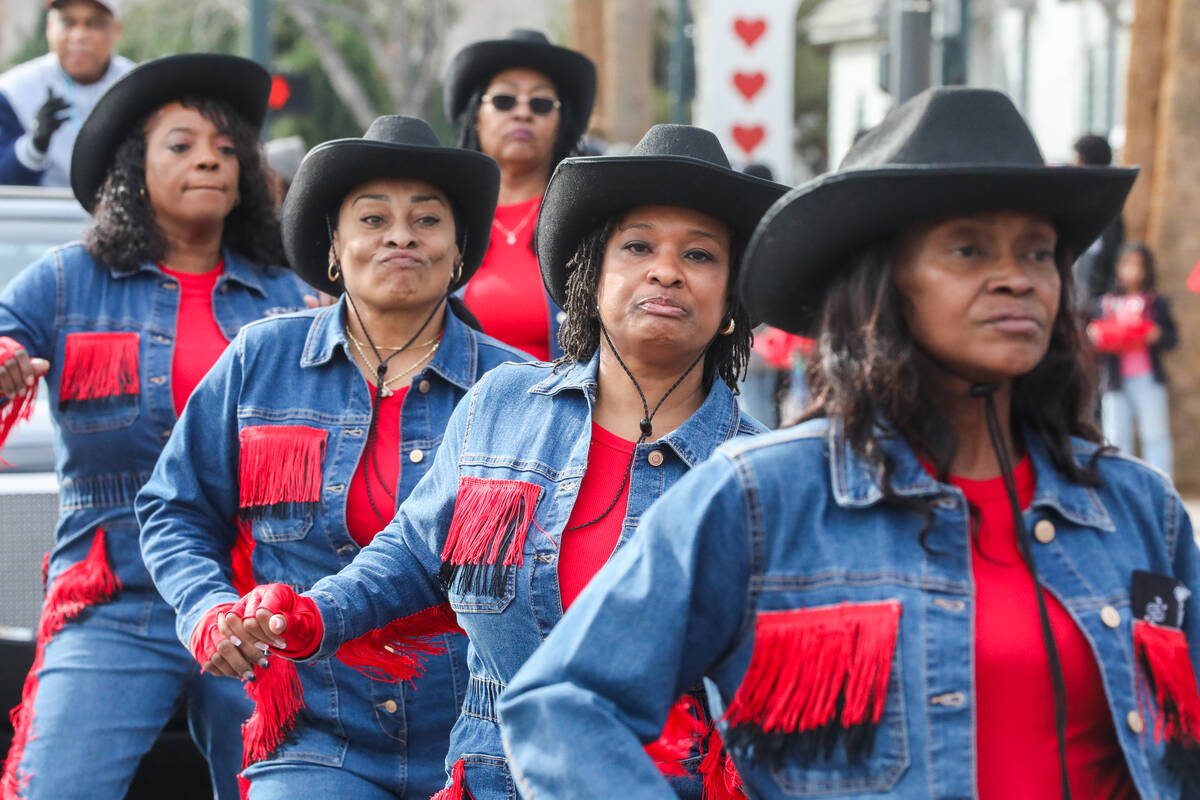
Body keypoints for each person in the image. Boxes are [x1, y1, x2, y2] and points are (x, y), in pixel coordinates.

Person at [498, 87, 1200, 800]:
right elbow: (560, 706)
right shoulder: (761, 498)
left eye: (1039, 252)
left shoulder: (1142, 511)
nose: (1015, 277)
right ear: (881, 283)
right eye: (968, 248)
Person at [223, 124, 786, 798]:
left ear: (730, 306)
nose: (665, 269)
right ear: (592, 278)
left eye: (700, 255)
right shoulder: (503, 404)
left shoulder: (760, 473)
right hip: (492, 774)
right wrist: (311, 616)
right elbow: (408, 555)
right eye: (637, 246)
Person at [135, 115, 527, 799]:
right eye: (372, 219)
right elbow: (174, 509)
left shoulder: (520, 391)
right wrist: (208, 611)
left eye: (427, 221)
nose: (401, 235)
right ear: (335, 250)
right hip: (308, 728)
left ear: (459, 253)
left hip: (478, 733)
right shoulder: (260, 359)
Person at [0, 53, 309, 799]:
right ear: (133, 171)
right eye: (181, 144)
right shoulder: (67, 279)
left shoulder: (290, 297)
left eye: (227, 147)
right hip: (114, 596)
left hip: (256, 606)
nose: (209, 157)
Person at [446, 28, 596, 360]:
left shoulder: (590, 224)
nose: (523, 112)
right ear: (476, 117)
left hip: (563, 406)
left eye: (541, 104)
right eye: (504, 100)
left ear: (561, 123)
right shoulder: (439, 221)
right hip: (455, 407)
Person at [0, 0, 132, 187]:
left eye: (93, 23)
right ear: (49, 27)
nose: (79, 36)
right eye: (68, 22)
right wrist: (33, 146)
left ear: (116, 30)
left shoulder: (140, 86)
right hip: (42, 213)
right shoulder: (14, 90)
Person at [1088, 242, 1178, 477]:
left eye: (1138, 265)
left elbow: (1172, 337)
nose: (1132, 271)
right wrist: (1095, 336)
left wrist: (1157, 334)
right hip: (1115, 381)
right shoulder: (1104, 304)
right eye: (1127, 264)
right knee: (1116, 436)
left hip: (1147, 378)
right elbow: (1089, 340)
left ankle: (1160, 484)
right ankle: (1121, 486)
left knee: (1155, 434)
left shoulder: (1156, 303)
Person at [1071, 133, 1125, 309]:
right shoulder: (1075, 200)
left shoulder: (1109, 206)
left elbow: (1112, 254)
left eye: (1077, 159)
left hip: (1095, 297)